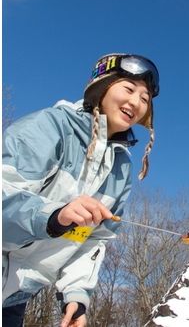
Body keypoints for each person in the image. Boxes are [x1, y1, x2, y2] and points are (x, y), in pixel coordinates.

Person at [2, 53, 160, 327]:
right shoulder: (50, 127)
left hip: (13, 300)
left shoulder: (121, 169)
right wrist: (54, 215)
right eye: (128, 89)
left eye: (145, 99)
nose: (136, 102)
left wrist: (75, 296)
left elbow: (93, 240)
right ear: (102, 88)